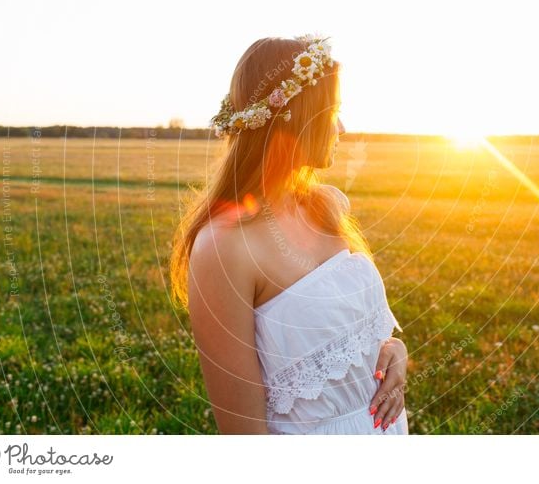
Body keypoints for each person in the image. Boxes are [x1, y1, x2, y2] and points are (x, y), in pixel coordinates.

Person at [169, 35, 409, 434]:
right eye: (332, 111)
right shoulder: (224, 247)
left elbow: (352, 334)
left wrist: (394, 352)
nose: (342, 127)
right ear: (296, 115)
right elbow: (243, 434)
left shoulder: (326, 207)